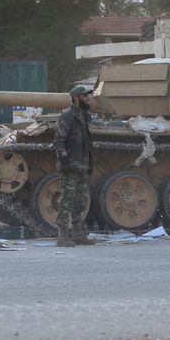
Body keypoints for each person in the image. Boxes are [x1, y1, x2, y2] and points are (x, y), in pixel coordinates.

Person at [51, 85, 96, 247]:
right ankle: (62, 236)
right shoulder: (67, 117)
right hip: (71, 167)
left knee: (81, 201)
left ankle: (78, 234)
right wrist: (64, 160)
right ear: (76, 98)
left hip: (82, 165)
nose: (87, 98)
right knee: (67, 201)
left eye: (87, 96)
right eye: (84, 96)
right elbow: (59, 141)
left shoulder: (84, 116)